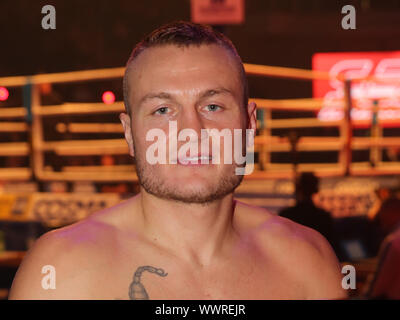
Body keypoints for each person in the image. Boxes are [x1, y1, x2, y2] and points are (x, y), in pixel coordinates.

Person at [9, 21, 346, 300]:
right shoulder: (59, 273)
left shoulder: (307, 262)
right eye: (163, 110)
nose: (191, 131)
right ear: (129, 133)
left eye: (212, 106)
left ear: (249, 122)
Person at [279, 173, 336, 251]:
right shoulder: (323, 217)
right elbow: (332, 246)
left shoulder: (286, 215)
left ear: (297, 188)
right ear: (316, 189)